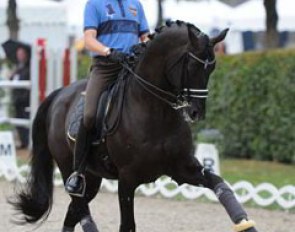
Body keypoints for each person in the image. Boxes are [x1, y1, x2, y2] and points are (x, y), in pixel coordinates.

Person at [65, 0, 149, 197]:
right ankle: (78, 173)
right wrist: (108, 51)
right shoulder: (94, 4)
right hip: (105, 67)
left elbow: (145, 36)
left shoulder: (135, 5)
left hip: (132, 65)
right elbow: (89, 39)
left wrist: (143, 46)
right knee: (89, 114)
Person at [9, 47, 30, 149]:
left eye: (21, 54)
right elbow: (12, 79)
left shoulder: (28, 67)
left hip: (24, 99)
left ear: (26, 55)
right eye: (18, 54)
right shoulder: (18, 67)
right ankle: (23, 142)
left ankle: (26, 142)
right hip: (17, 99)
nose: (19, 56)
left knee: (25, 120)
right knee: (18, 122)